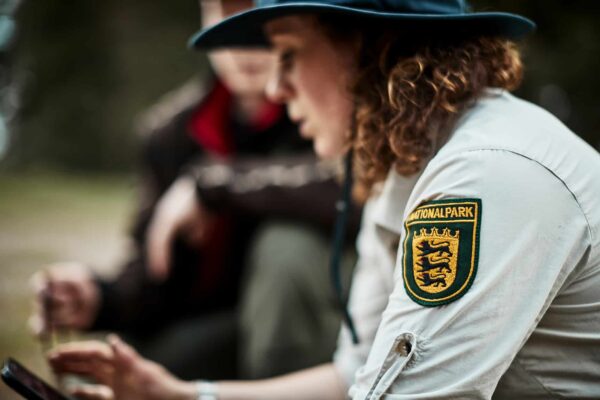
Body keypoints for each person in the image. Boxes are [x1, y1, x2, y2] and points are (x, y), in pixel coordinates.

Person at [47, 0, 600, 399]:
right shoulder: (405, 169)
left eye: (287, 54)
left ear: (373, 50)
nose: (273, 88)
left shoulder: (484, 175)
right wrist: (183, 396)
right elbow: (353, 377)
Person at [31, 0, 359, 381]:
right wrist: (100, 297)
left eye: (253, 9)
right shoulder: (171, 132)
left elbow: (355, 187)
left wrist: (214, 185)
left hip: (320, 326)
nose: (241, 37)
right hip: (218, 323)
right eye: (224, 13)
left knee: (285, 247)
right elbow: (155, 264)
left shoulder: (328, 104)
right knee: (102, 376)